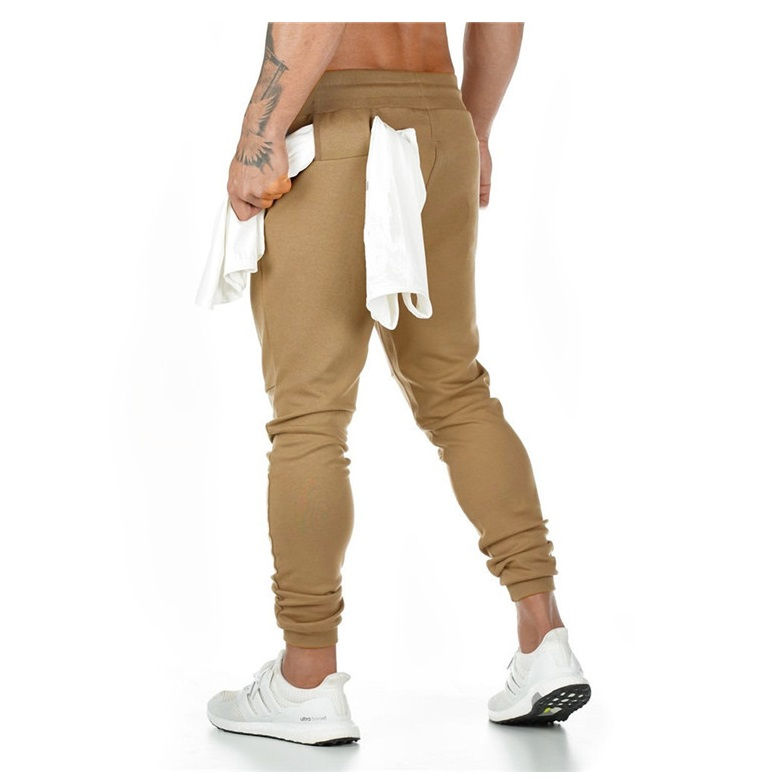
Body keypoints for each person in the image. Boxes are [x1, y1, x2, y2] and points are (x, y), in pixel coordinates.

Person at [207, 22, 591, 746]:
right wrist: (472, 130)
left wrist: (259, 137)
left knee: (309, 412)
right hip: (441, 119)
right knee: (456, 390)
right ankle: (544, 642)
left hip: (336, 125)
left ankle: (306, 680)